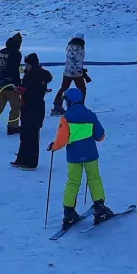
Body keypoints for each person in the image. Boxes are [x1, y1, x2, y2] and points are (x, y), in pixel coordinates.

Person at [49, 87, 114, 232]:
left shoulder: (66, 118)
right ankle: (99, 207)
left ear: (69, 102)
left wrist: (53, 147)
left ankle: (69, 212)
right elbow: (100, 136)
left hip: (74, 157)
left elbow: (62, 139)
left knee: (73, 182)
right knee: (94, 178)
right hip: (91, 155)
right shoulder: (90, 115)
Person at [13, 54, 53, 169]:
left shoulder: (37, 77)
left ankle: (30, 162)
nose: (26, 66)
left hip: (34, 108)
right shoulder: (30, 75)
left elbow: (34, 92)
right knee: (25, 134)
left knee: (32, 136)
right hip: (28, 108)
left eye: (27, 64)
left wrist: (22, 90)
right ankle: (22, 159)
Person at [52, 36, 89, 115]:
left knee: (63, 88)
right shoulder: (80, 48)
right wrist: (79, 71)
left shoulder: (70, 46)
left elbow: (70, 59)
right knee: (82, 89)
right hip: (76, 73)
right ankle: (80, 106)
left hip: (67, 71)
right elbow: (79, 60)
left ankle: (57, 105)